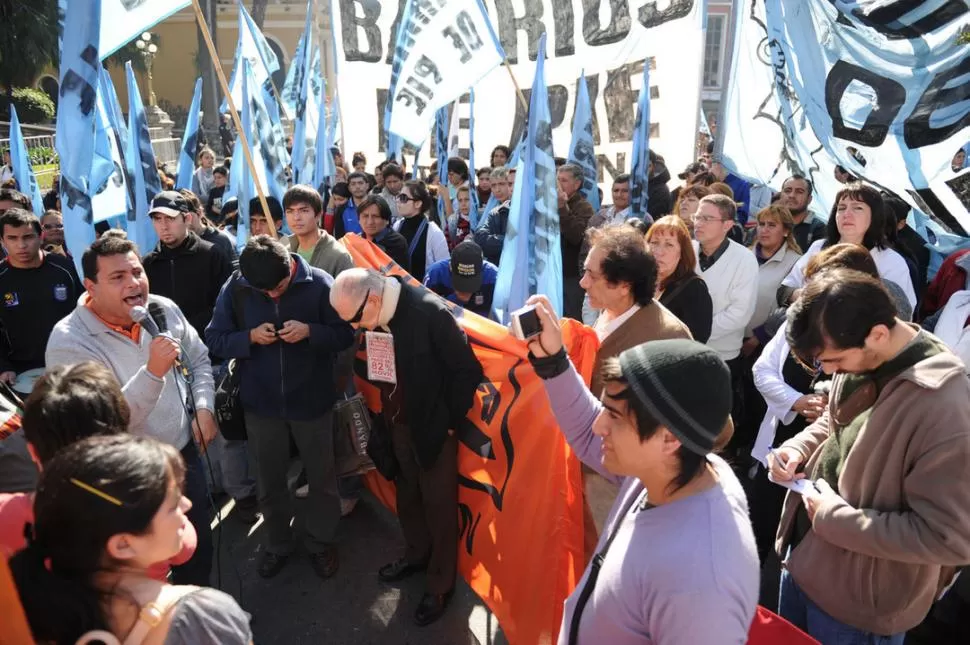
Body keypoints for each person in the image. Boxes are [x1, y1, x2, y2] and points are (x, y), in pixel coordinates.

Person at [525, 297, 758, 644]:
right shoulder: (671, 469)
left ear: (668, 439)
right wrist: (554, 361)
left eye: (614, 416)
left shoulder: (703, 582)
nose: (600, 426)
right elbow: (589, 428)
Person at [767, 268, 970, 644]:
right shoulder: (866, 350)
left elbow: (951, 538)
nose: (825, 372)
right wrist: (797, 448)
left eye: (833, 361)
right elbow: (835, 419)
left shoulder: (947, 407)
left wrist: (835, 520)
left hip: (857, 610)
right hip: (803, 564)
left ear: (878, 334)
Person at [46, 233, 218, 587]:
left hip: (183, 455)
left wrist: (204, 407)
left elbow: (198, 360)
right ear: (89, 286)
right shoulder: (68, 342)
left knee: (195, 546)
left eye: (137, 272)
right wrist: (153, 372)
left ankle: (198, 617)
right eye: (118, 278)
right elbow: (98, 426)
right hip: (124, 477)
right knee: (145, 569)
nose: (134, 283)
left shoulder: (162, 308)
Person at [330, 268, 483, 626]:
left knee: (440, 506)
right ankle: (416, 555)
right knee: (407, 494)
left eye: (355, 318)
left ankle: (440, 583)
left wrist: (446, 423)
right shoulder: (376, 315)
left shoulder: (429, 312)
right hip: (397, 423)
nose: (354, 328)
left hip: (433, 429)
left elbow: (467, 372)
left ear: (375, 298)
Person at [206, 236, 354, 580]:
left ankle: (321, 542)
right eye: (265, 293)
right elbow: (214, 337)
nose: (273, 295)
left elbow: (345, 334)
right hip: (261, 405)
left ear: (291, 265)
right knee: (269, 480)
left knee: (322, 479)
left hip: (313, 401)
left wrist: (311, 332)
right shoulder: (237, 286)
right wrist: (248, 339)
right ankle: (277, 543)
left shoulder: (320, 284)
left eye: (280, 287)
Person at [9, 434, 251, 644]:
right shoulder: (204, 618)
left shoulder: (41, 621)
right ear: (122, 544)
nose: (186, 505)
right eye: (171, 505)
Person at [582, 224, 691, 394]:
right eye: (584, 271)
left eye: (592, 276)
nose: (583, 283)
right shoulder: (611, 309)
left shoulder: (668, 339)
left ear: (624, 285)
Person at [780, 182, 917, 312]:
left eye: (858, 208)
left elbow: (901, 312)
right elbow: (785, 289)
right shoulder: (819, 247)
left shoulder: (891, 262)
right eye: (841, 208)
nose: (847, 214)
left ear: (874, 216)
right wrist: (803, 295)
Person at [693, 195, 759, 443]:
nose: (699, 223)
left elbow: (739, 313)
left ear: (727, 225)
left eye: (707, 218)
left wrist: (696, 333)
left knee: (714, 427)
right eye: (697, 216)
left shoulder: (744, 259)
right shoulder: (687, 250)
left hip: (721, 356)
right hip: (683, 350)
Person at [0, 209, 81, 393]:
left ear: (41, 236)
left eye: (28, 237)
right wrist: (3, 366)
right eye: (12, 238)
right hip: (19, 373)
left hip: (70, 365)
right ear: (2, 241)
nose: (21, 245)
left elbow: (88, 313)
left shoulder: (66, 269)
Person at [142, 191, 233, 339]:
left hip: (210, 351)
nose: (164, 226)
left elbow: (226, 306)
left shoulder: (212, 255)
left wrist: (188, 329)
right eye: (157, 219)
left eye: (170, 218)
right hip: (167, 352)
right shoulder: (148, 264)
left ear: (187, 218)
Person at [743, 205, 802, 357]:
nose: (764, 230)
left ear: (786, 231)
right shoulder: (743, 255)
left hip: (764, 344)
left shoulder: (795, 263)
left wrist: (758, 337)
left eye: (772, 225)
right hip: (729, 335)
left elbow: (791, 308)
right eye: (761, 224)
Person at [647, 215, 713, 343]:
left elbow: (696, 342)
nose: (659, 252)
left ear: (682, 253)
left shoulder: (694, 289)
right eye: (654, 243)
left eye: (669, 245)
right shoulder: (636, 281)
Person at [283, 184, 354, 278]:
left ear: (318, 215)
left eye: (304, 211)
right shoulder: (284, 252)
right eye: (290, 211)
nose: (296, 217)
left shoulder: (338, 256)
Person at [558, 163, 595, 320]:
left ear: (577, 184)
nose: (559, 185)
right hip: (555, 273)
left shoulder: (584, 207)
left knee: (571, 319)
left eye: (564, 181)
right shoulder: (547, 205)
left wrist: (562, 208)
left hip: (571, 276)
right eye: (557, 180)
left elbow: (576, 236)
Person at [392, 180, 449, 282]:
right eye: (399, 197)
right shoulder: (397, 225)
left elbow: (444, 269)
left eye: (403, 198)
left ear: (418, 204)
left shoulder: (434, 232)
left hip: (423, 292)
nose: (398, 201)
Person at [424, 240, 497, 319]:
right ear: (450, 267)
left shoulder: (493, 278)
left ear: (481, 270)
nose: (465, 291)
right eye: (461, 283)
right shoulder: (435, 274)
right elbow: (425, 312)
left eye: (470, 284)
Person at [179, 189, 238, 270]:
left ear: (199, 213)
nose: (183, 222)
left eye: (187, 217)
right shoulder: (174, 242)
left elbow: (234, 274)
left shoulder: (220, 241)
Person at [473, 166, 512, 265]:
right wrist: (508, 240)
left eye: (502, 184)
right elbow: (480, 239)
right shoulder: (494, 212)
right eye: (494, 185)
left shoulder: (522, 210)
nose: (497, 189)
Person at [359, 194, 409, 270]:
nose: (370, 222)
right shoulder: (355, 241)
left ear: (387, 220)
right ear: (359, 220)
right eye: (365, 216)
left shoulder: (397, 242)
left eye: (375, 216)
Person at [779, 176, 826, 253]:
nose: (792, 195)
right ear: (781, 195)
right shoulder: (767, 222)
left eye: (799, 192)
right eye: (787, 191)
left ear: (809, 199)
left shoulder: (819, 230)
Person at [711, 157, 753, 224]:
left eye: (712, 166)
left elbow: (742, 215)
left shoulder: (742, 184)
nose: (710, 170)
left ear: (720, 166)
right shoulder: (711, 180)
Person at [333, 171, 371, 239]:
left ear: (367, 185)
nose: (357, 187)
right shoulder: (341, 210)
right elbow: (339, 238)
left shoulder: (377, 205)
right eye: (353, 184)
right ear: (349, 188)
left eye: (360, 183)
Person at [646, 150, 672, 220]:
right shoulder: (633, 185)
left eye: (648, 166)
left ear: (653, 167)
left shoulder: (661, 190)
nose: (643, 170)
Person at [446, 185, 474, 250]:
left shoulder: (480, 220)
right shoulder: (452, 222)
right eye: (460, 200)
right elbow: (447, 247)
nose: (463, 204)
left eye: (467, 200)